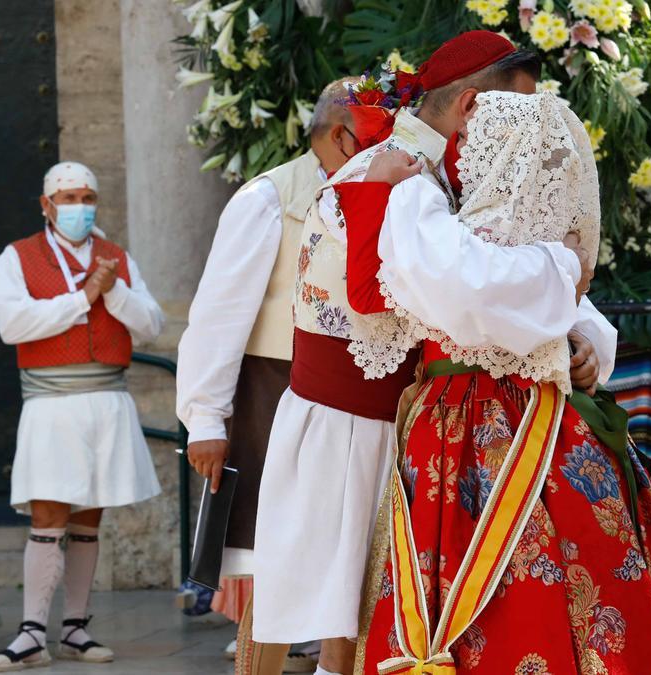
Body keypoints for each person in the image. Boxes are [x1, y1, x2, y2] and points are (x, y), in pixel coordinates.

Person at [249, 32, 614, 675]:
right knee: (317, 605)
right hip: (352, 422)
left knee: (375, 622)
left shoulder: (468, 169)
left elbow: (511, 260)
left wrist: (580, 335)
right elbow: (392, 292)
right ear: (473, 106)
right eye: (519, 109)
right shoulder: (380, 169)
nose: (527, 129)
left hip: (429, 421)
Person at [352, 90, 651, 674]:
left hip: (501, 426)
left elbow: (487, 291)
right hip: (459, 428)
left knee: (536, 587)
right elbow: (474, 289)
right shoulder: (476, 240)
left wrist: (403, 189)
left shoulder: (494, 244)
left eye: (473, 147)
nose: (459, 159)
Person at [177, 77, 357, 674]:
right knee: (275, 569)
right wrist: (204, 417)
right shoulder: (268, 199)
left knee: (352, 566)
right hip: (275, 398)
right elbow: (218, 314)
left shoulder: (390, 193)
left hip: (361, 402)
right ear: (339, 134)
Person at [0, 161, 164, 671]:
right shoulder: (17, 257)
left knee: (91, 515)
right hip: (51, 401)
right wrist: (82, 297)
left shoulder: (116, 257)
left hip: (107, 398)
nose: (79, 207)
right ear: (46, 205)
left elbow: (151, 323)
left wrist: (113, 291)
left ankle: (75, 628)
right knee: (48, 515)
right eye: (67, 198)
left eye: (87, 197)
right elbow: (13, 323)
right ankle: (30, 633)